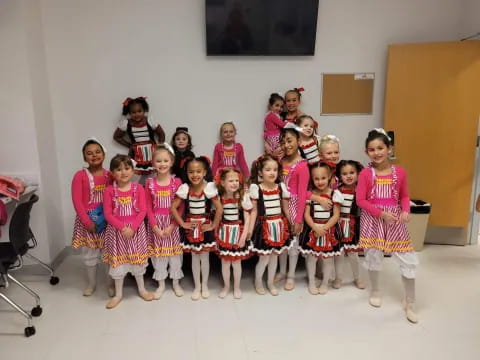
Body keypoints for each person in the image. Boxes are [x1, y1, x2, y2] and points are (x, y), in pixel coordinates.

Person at [356, 128, 419, 323]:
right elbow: (360, 200)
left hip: (395, 221)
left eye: (380, 148)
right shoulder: (366, 174)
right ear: (367, 152)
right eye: (371, 149)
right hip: (374, 220)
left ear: (389, 148)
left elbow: (404, 196)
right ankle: (375, 290)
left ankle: (410, 301)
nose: (377, 152)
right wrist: (380, 213)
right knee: (373, 255)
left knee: (407, 259)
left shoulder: (399, 172)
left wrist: (406, 210)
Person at [103, 155, 153, 309]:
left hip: (135, 232)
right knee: (119, 263)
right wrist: (122, 227)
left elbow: (143, 210)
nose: (123, 172)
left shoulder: (138, 188)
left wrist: (133, 227)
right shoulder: (109, 191)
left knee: (137, 262)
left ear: (132, 170)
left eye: (126, 168)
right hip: (118, 233)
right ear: (112, 173)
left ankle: (142, 289)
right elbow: (108, 214)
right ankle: (118, 294)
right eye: (118, 169)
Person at [171, 157, 223, 300]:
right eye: (191, 172)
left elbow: (219, 208)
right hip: (191, 227)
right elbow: (173, 208)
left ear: (205, 172)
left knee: (205, 257)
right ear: (186, 173)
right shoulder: (185, 188)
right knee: (195, 258)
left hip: (204, 227)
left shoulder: (209, 188)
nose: (195, 175)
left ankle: (204, 285)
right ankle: (197, 286)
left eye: (198, 171)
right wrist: (182, 224)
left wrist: (213, 225)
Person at [71, 138, 113, 296]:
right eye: (89, 153)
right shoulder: (80, 176)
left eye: (97, 152)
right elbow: (77, 201)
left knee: (108, 253)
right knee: (90, 254)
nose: (94, 155)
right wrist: (87, 221)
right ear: (84, 157)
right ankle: (91, 284)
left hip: (107, 221)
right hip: (88, 221)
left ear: (103, 154)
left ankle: (110, 284)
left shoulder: (110, 175)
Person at [145, 144, 184, 299]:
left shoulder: (177, 183)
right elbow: (147, 207)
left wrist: (173, 225)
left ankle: (176, 283)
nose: (162, 164)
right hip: (156, 224)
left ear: (171, 162)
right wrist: (155, 227)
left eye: (165, 160)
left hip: (172, 223)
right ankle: (161, 284)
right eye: (158, 161)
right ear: (153, 163)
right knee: (159, 255)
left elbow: (181, 207)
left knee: (174, 255)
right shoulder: (149, 183)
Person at [248, 155, 291, 296]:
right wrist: (250, 229)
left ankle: (270, 283)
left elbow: (285, 208)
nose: (272, 172)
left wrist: (292, 223)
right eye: (268, 169)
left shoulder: (281, 187)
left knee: (274, 258)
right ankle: (258, 281)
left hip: (279, 226)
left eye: (275, 169)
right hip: (264, 227)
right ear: (260, 172)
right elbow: (254, 211)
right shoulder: (256, 188)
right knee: (264, 258)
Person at [299, 162, 343, 295]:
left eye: (323, 178)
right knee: (311, 258)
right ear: (311, 179)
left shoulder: (335, 194)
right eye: (316, 178)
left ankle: (324, 283)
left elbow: (336, 215)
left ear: (329, 176)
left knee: (327, 259)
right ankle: (311, 282)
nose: (320, 181)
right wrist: (315, 228)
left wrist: (324, 228)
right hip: (313, 230)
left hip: (328, 231)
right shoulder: (310, 194)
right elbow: (306, 214)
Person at [215, 168, 252, 299]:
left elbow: (247, 218)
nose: (235, 183)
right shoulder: (219, 197)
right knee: (225, 262)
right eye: (231, 180)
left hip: (238, 231)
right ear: (223, 183)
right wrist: (216, 235)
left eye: (237, 180)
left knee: (236, 263)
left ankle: (237, 287)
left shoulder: (242, 196)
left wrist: (243, 236)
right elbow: (217, 217)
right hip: (224, 232)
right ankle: (226, 286)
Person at [113, 97, 165, 183]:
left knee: (153, 176)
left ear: (144, 110)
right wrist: (130, 145)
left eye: (139, 111)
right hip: (136, 154)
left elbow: (161, 134)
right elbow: (117, 137)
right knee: (135, 176)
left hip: (151, 152)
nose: (137, 114)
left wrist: (160, 148)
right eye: (133, 112)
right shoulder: (126, 123)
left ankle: (152, 191)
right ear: (129, 113)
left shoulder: (150, 120)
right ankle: (136, 193)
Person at [336, 160, 365, 290]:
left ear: (358, 173)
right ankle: (338, 278)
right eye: (344, 173)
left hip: (354, 226)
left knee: (353, 255)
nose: (348, 176)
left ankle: (357, 278)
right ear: (339, 175)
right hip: (339, 225)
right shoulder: (337, 191)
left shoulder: (361, 191)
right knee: (340, 254)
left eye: (352, 173)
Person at [263, 93, 286, 158]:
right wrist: (292, 125)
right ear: (270, 106)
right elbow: (282, 124)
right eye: (277, 105)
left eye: (281, 106)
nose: (279, 108)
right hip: (274, 137)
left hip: (273, 137)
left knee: (278, 153)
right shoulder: (272, 115)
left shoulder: (274, 115)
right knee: (278, 153)